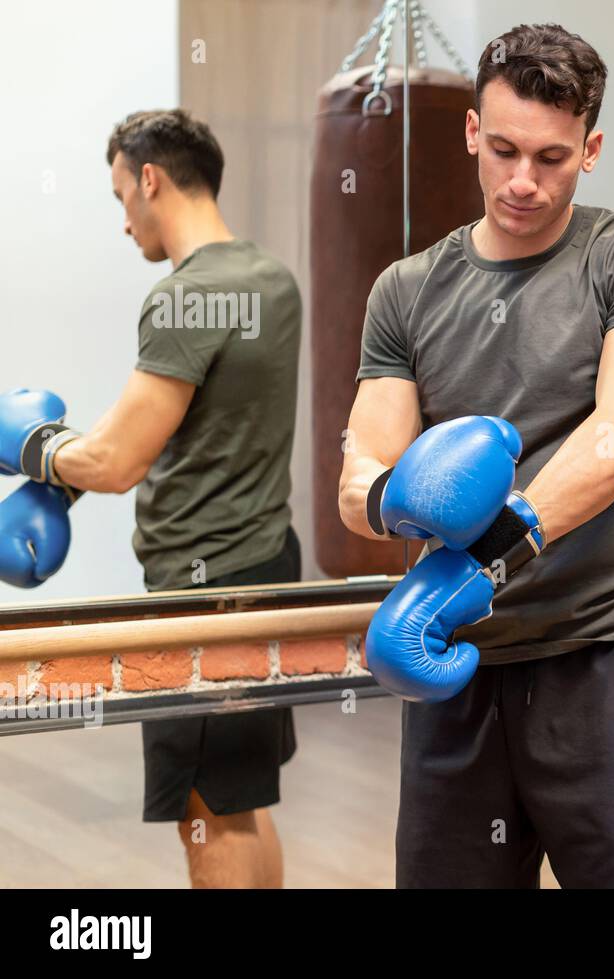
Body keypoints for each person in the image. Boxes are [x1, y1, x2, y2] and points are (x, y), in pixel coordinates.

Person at [338, 23, 614, 888]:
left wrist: (488, 552)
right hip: (455, 667)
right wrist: (391, 504)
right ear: (473, 131)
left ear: (590, 148)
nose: (523, 181)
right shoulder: (406, 290)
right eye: (506, 148)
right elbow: (361, 469)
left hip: (606, 656)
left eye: (552, 158)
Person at [0, 109, 303, 885]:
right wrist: (74, 461)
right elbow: (188, 431)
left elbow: (117, 459)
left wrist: (31, 447)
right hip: (267, 561)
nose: (123, 221)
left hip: (203, 585)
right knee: (242, 797)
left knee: (207, 808)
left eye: (119, 197)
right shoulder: (271, 278)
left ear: (150, 178)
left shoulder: (183, 297)